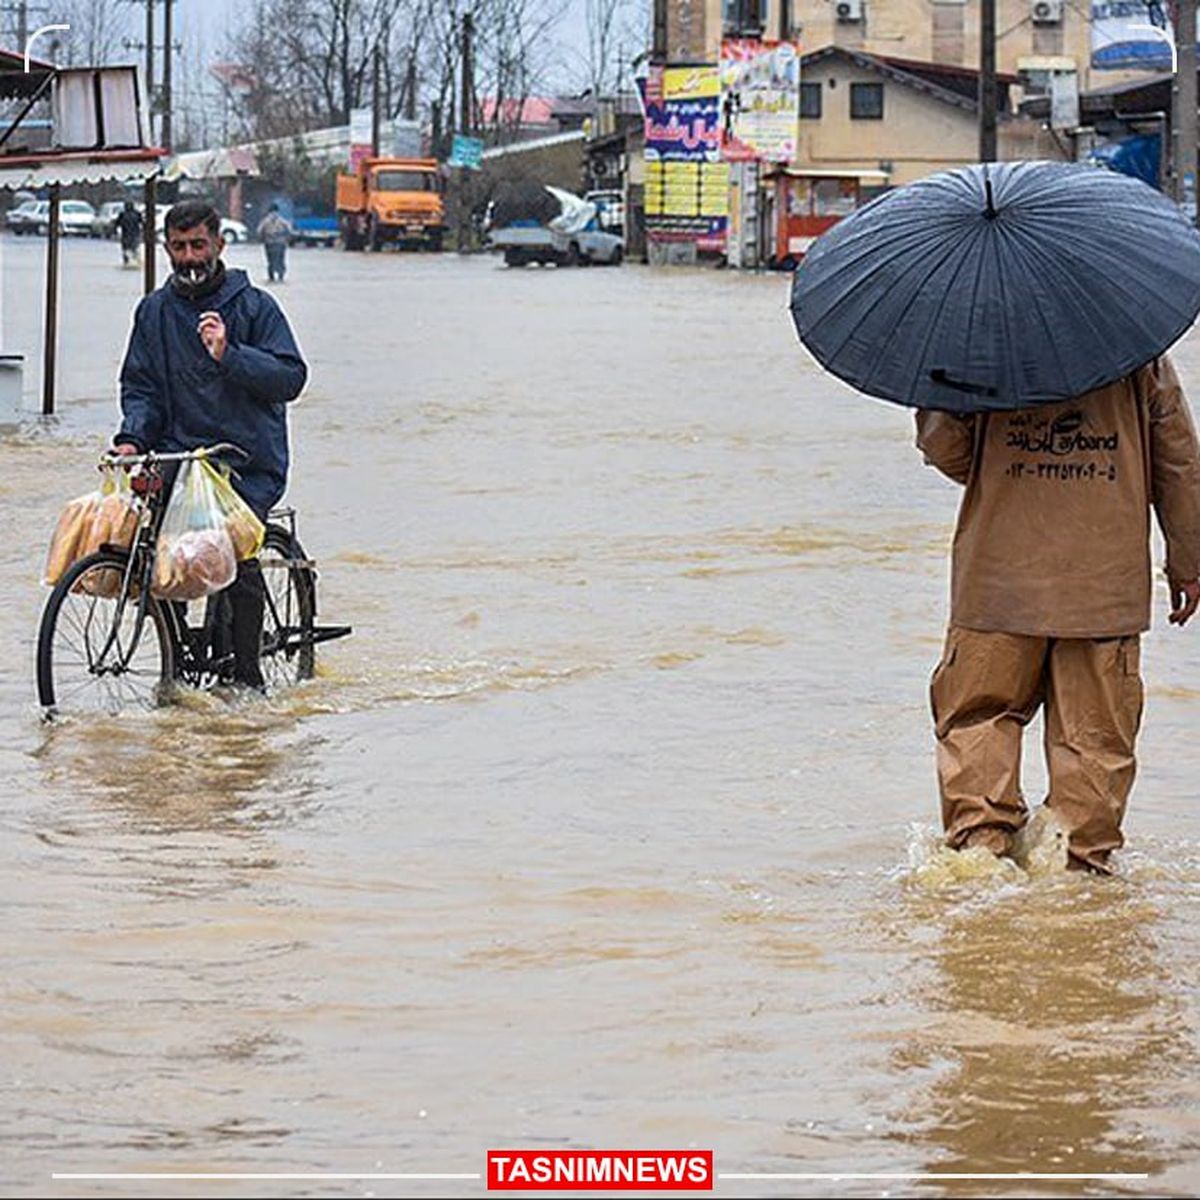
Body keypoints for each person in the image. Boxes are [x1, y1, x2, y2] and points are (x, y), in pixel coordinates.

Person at [915, 357, 1200, 873]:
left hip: (997, 579)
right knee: (1094, 741)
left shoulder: (977, 341)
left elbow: (945, 448)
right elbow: (1176, 456)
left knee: (980, 717)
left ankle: (982, 856)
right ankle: (1076, 877)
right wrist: (1188, 559)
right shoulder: (1136, 345)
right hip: (1102, 584)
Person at [111, 199, 308, 690]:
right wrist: (133, 438)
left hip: (246, 463)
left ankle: (247, 680)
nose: (189, 256)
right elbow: (141, 387)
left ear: (219, 244)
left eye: (198, 244)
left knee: (233, 553)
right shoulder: (153, 312)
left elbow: (290, 377)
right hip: (180, 459)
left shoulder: (255, 307)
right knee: (161, 555)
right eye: (178, 247)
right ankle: (174, 673)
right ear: (165, 249)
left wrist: (229, 354)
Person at [256, 202, 294, 283]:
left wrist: (263, 239)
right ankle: (280, 276)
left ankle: (272, 277)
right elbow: (289, 231)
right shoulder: (282, 221)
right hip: (280, 242)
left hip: (269, 243)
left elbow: (259, 231)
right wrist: (287, 239)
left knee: (271, 260)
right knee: (280, 260)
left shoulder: (265, 221)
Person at [114, 200, 143, 267]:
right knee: (134, 249)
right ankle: (136, 262)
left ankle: (127, 262)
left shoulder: (122, 214)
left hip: (126, 235)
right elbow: (142, 223)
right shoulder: (137, 214)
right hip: (135, 234)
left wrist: (115, 232)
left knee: (126, 249)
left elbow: (116, 224)